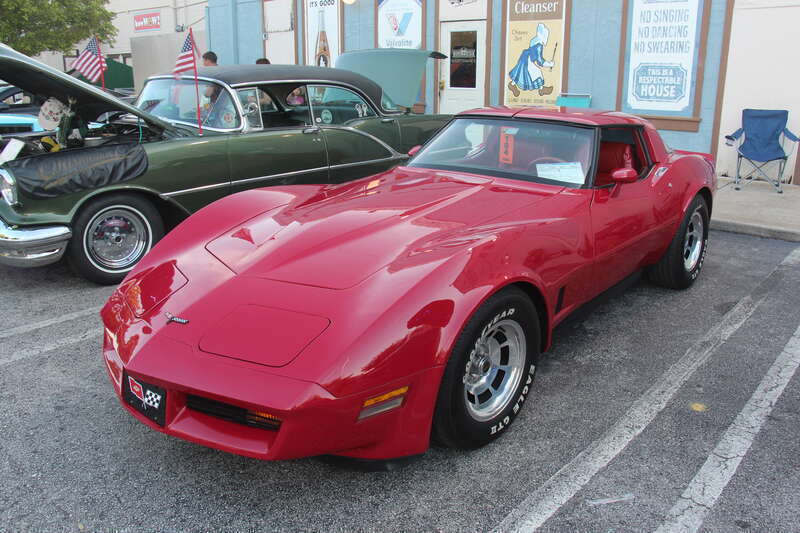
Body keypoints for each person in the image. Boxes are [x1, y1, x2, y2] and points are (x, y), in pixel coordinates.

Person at [507, 23, 555, 98]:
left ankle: (512, 85)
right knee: (536, 73)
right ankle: (541, 89)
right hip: (528, 61)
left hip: (524, 57)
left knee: (520, 73)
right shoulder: (539, 46)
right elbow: (540, 61)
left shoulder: (534, 40)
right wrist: (550, 64)